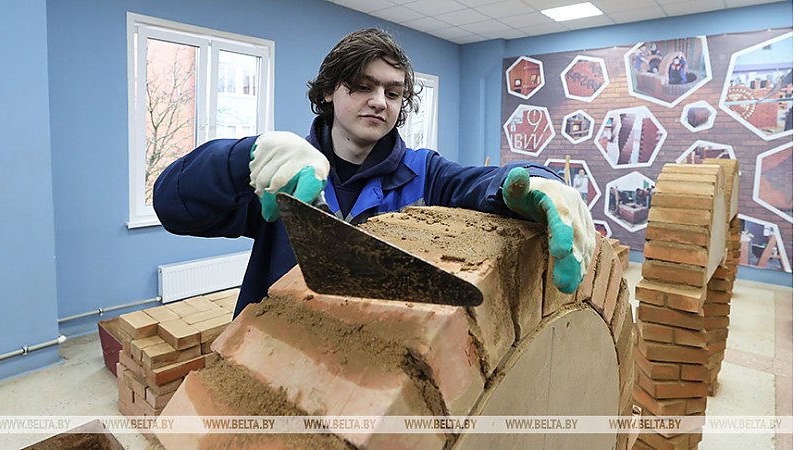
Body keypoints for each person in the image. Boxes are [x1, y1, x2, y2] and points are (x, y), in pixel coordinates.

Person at [153, 28, 595, 318]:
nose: (379, 101)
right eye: (362, 86)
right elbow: (174, 208)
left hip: (381, 368)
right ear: (328, 92)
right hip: (278, 353)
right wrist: (243, 158)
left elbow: (483, 183)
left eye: (393, 91)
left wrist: (540, 182)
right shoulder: (283, 174)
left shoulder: (425, 173)